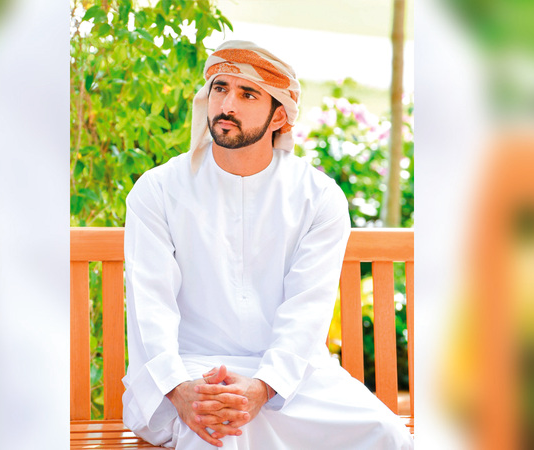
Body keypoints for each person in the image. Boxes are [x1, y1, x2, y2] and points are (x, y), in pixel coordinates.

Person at [122, 40, 414, 449]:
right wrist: (180, 389)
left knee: (388, 435)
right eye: (220, 88)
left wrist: (262, 386)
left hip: (290, 377)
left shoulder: (318, 198)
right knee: (221, 431)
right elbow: (149, 306)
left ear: (279, 115)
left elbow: (306, 311)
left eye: (247, 94)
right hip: (187, 376)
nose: (227, 105)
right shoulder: (158, 190)